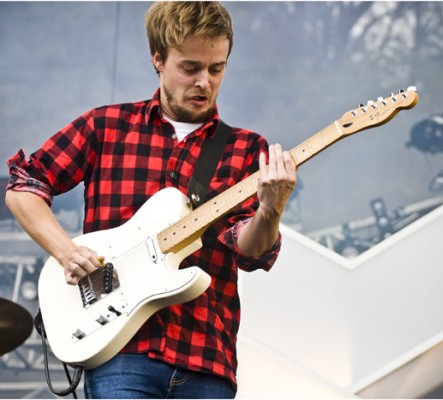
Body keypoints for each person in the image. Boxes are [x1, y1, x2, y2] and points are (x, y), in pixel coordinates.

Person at [4, 2, 296, 399]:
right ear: (158, 59)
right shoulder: (106, 126)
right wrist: (66, 251)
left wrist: (271, 209)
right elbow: (25, 184)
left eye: (216, 69)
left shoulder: (246, 149)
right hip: (122, 351)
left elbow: (250, 251)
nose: (204, 83)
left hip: (206, 355)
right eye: (190, 68)